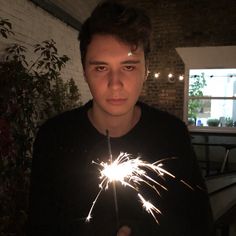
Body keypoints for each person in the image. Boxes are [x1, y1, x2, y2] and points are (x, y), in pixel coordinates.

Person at [28, 1, 214, 236]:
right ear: (85, 71)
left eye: (128, 67)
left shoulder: (172, 135)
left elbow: (199, 224)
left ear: (146, 70)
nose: (115, 84)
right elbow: (39, 226)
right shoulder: (54, 137)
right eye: (101, 68)